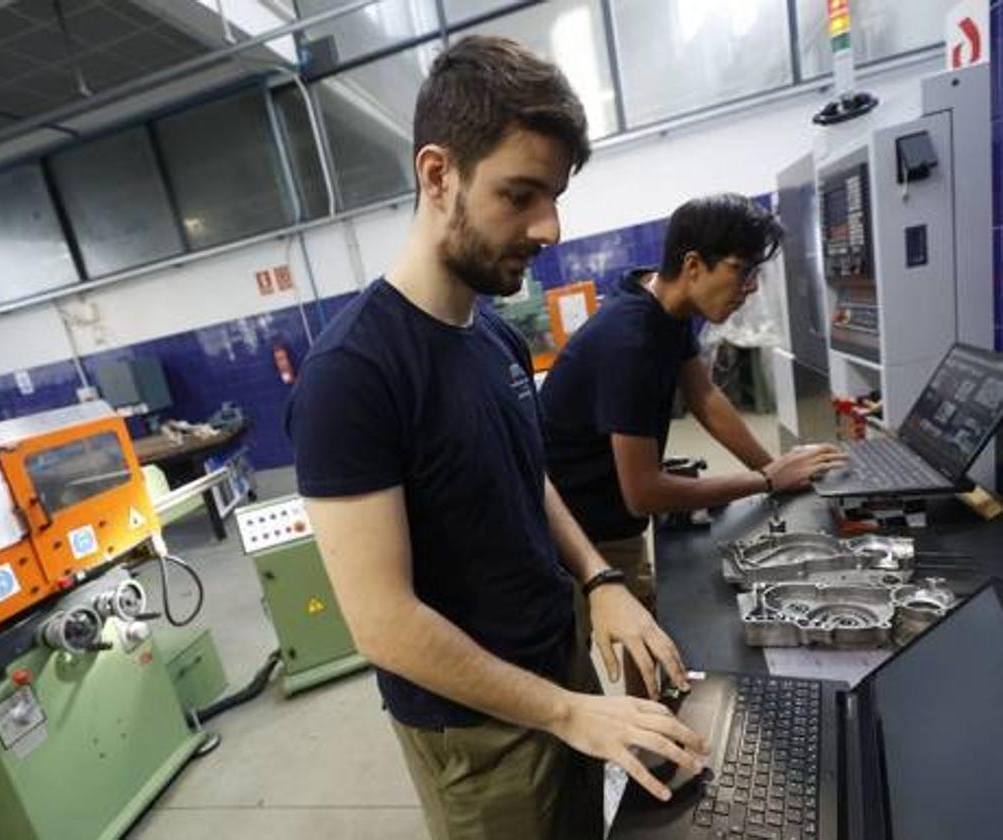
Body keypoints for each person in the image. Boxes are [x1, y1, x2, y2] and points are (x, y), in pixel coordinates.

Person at [285, 36, 706, 840]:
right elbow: (382, 623)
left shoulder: (493, 336)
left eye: (554, 195)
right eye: (521, 195)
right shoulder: (353, 374)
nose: (549, 227)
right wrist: (564, 711)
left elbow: (525, 478)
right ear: (438, 174)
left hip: (559, 680)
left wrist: (597, 581)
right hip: (482, 735)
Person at [541, 194, 847, 692]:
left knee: (654, 642)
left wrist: (779, 469)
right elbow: (645, 491)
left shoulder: (663, 306)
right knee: (583, 670)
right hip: (569, 536)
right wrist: (764, 479)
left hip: (611, 516)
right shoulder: (629, 342)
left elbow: (704, 395)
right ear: (692, 264)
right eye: (740, 270)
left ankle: (659, 737)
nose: (748, 288)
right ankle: (648, 753)